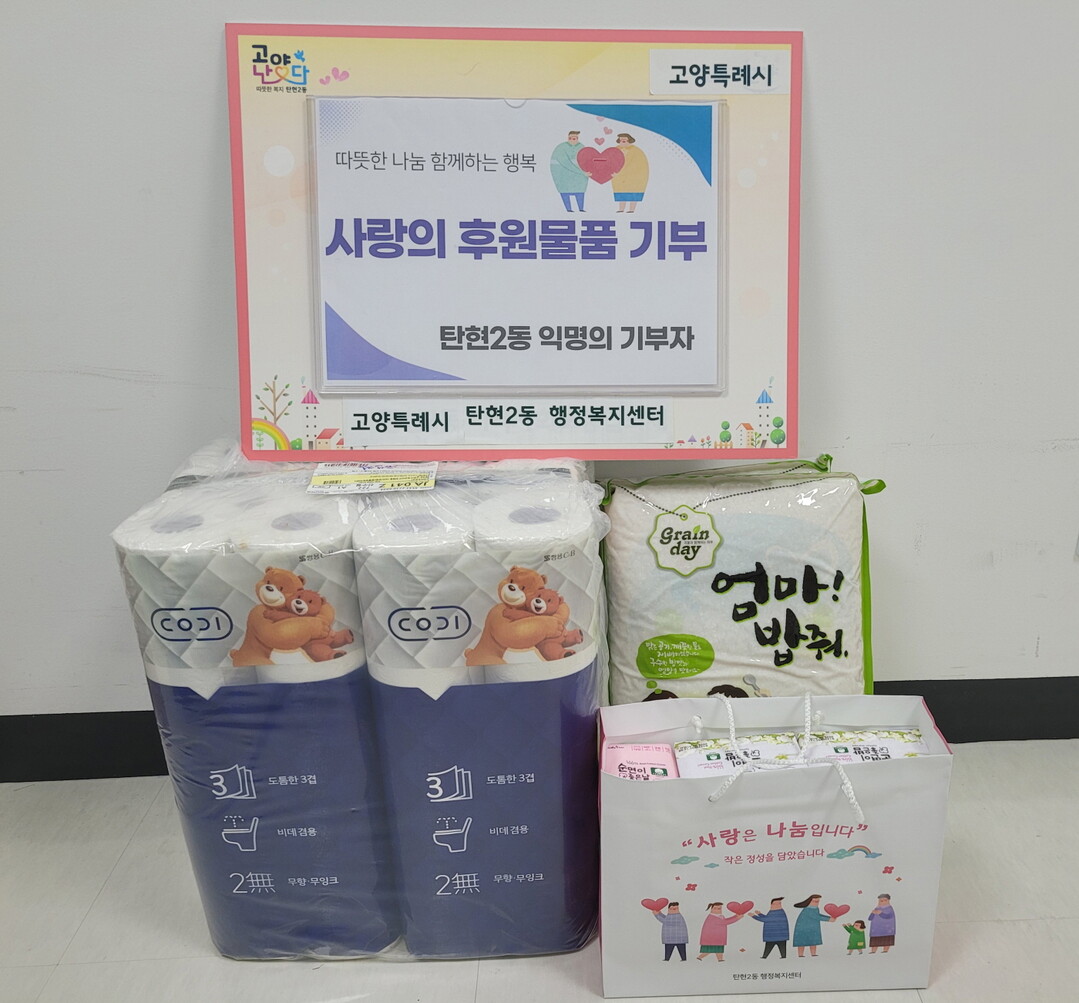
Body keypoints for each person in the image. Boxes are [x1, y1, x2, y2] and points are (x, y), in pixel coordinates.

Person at [549, 130, 588, 212]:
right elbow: (565, 163)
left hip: (579, 177)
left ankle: (581, 208)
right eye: (571, 138)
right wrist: (582, 172)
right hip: (564, 175)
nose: (572, 140)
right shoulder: (561, 148)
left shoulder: (581, 147)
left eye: (575, 138)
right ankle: (568, 209)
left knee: (579, 192)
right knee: (565, 192)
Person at [610, 132, 649, 213]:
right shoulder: (615, 150)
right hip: (619, 177)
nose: (622, 142)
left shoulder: (636, 151)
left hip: (633, 177)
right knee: (621, 193)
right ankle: (621, 209)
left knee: (633, 194)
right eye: (621, 140)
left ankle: (631, 209)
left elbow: (639, 165)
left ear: (629, 140)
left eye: (624, 140)